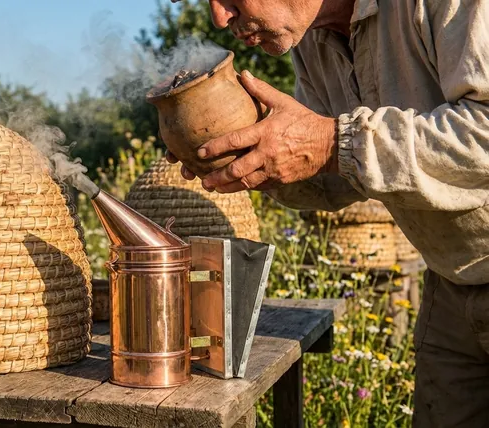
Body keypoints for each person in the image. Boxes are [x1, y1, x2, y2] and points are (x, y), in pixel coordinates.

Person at [166, 0, 489, 426]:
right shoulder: (311, 39)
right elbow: (342, 175)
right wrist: (261, 162)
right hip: (450, 282)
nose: (220, 17)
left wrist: (334, 142)